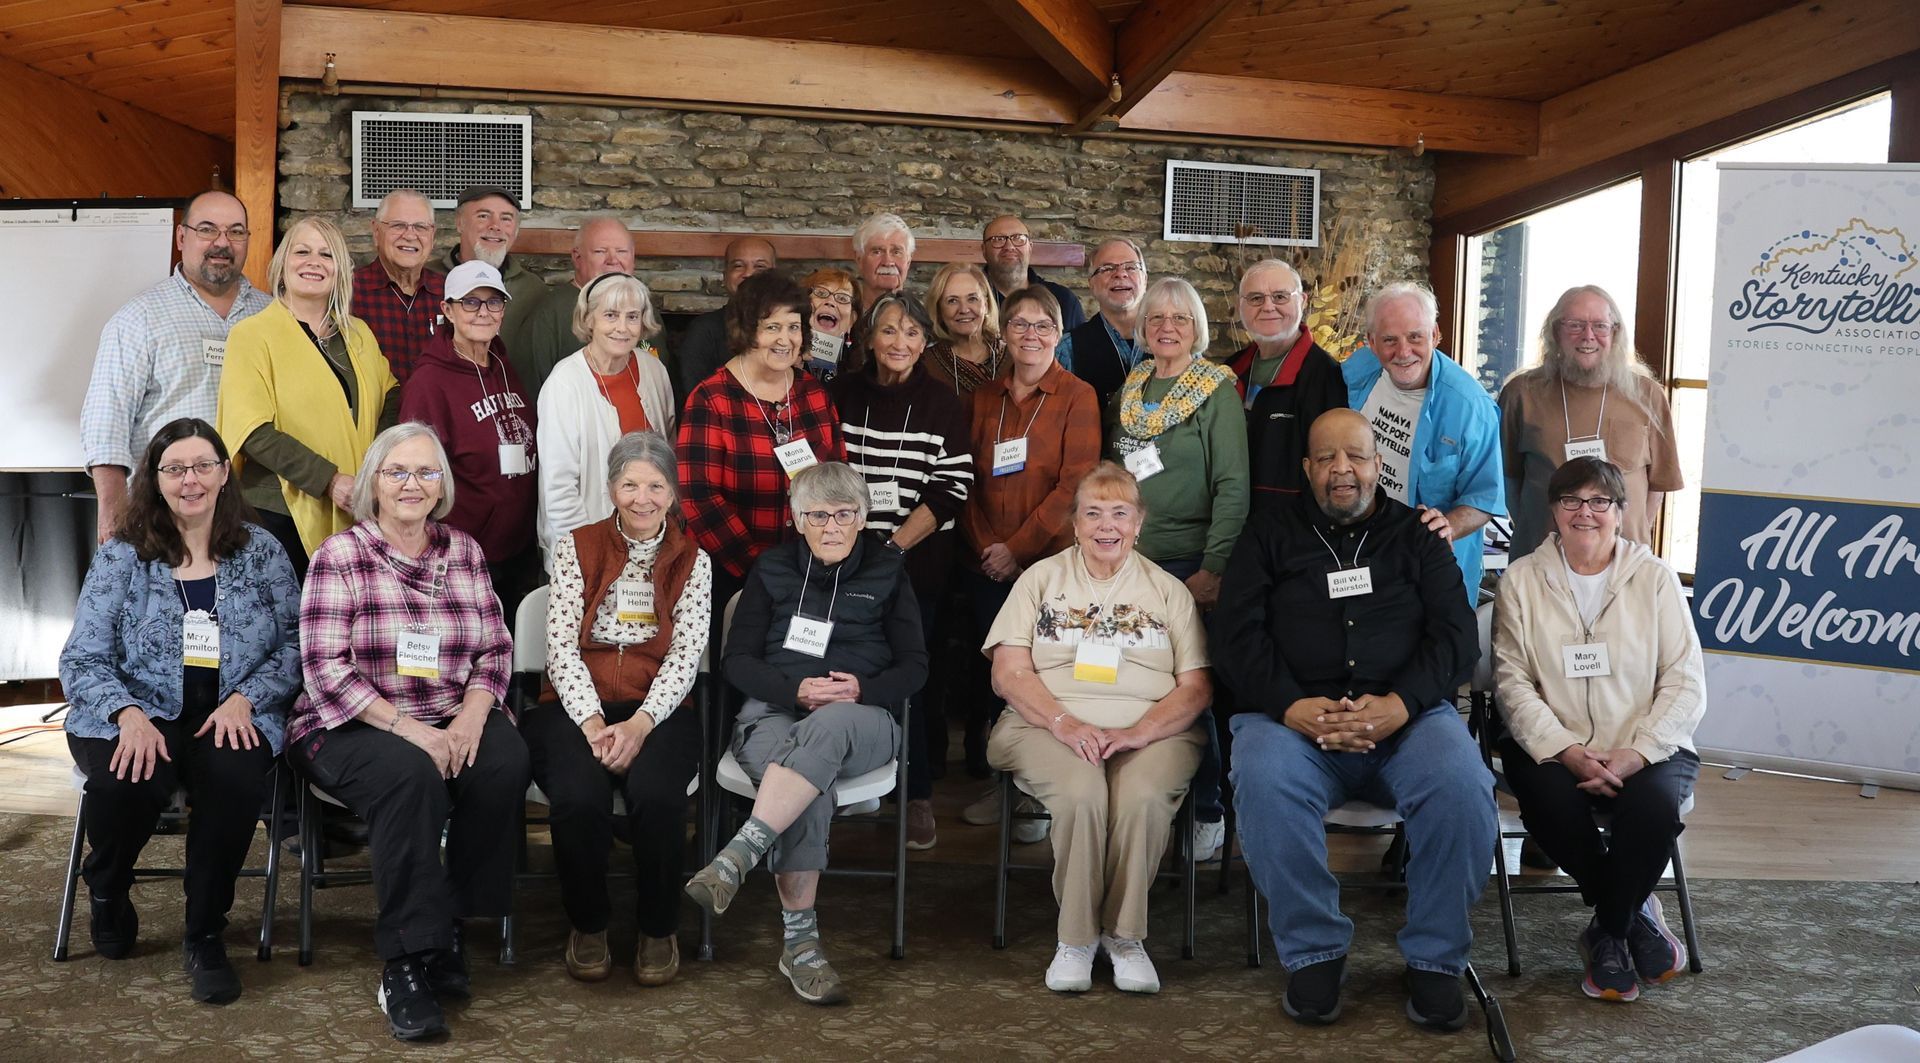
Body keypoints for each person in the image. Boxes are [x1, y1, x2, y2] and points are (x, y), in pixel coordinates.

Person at [1213, 408, 1495, 1032]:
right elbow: (1235, 638)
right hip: (1292, 725)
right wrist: (1290, 705)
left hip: (1408, 722)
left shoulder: (1419, 537)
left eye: (1357, 457)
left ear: (1377, 464)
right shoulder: (1267, 535)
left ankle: (1435, 957)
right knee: (1261, 775)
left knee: (1464, 785)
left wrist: (1401, 704)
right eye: (1327, 459)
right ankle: (1314, 950)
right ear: (1307, 468)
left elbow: (1456, 639)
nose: (1343, 470)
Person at [287, 422, 526, 1042]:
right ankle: (404, 962)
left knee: (502, 761)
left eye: (426, 472)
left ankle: (449, 922)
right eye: (397, 472)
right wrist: (418, 733)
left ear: (442, 485)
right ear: (373, 483)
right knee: (412, 775)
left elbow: (495, 649)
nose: (412, 484)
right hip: (351, 721)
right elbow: (324, 671)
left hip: (452, 706)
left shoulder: (463, 552)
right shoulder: (339, 557)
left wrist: (474, 715)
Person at [58, 418, 300, 1005]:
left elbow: (299, 643)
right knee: (126, 778)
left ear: (223, 473)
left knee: (234, 777)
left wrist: (250, 697)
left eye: (202, 466)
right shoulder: (123, 555)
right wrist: (126, 714)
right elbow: (82, 657)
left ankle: (205, 934)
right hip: (135, 710)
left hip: (232, 710)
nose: (189, 480)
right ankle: (108, 888)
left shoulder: (261, 549)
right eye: (174, 469)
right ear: (155, 479)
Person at [684, 462, 927, 1006]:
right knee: (802, 781)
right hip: (774, 713)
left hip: (860, 721)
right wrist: (797, 691)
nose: (832, 526)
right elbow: (737, 661)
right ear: (797, 520)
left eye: (845, 514)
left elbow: (915, 667)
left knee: (829, 727)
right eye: (818, 515)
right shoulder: (771, 569)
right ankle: (800, 946)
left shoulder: (889, 571)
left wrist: (860, 689)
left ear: (863, 519)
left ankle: (741, 853)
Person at [982, 461, 1211, 996]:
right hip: (1044, 723)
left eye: (1120, 514)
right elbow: (1008, 672)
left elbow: (1196, 687)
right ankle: (1077, 939)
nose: (1107, 526)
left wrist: (1141, 732)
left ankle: (1126, 937)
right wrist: (1062, 721)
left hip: (1152, 729)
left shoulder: (1168, 590)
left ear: (1138, 524)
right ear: (1076, 524)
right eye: (1093, 514)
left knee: (1143, 798)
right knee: (1083, 793)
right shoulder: (1040, 579)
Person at [1492, 456, 1705, 1002]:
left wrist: (1636, 752)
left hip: (1647, 745)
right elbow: (1512, 683)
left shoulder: (1655, 579)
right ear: (1553, 511)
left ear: (1621, 511)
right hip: (1552, 747)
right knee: (1552, 805)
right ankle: (1631, 913)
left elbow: (1685, 683)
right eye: (1571, 500)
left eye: (1599, 501)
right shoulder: (1520, 579)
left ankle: (1607, 931)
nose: (1585, 512)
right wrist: (1567, 752)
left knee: (1653, 809)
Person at [523, 431, 712, 986]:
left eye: (656, 485)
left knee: (657, 796)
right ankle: (588, 923)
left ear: (673, 493)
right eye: (629, 484)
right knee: (577, 798)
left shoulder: (693, 559)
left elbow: (685, 652)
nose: (642, 497)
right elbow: (559, 647)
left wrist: (641, 724)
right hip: (575, 705)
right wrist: (593, 722)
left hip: (658, 706)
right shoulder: (575, 545)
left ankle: (658, 927)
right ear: (611, 488)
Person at [829, 292, 974, 848]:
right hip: (840, 561)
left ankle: (914, 795)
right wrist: (847, 548)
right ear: (869, 338)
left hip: (914, 566)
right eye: (888, 331)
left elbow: (951, 488)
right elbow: (820, 469)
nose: (899, 343)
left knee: (909, 679)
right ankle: (845, 781)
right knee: (841, 669)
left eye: (911, 333)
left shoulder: (942, 403)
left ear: (924, 342)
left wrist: (891, 550)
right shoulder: (838, 394)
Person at [957, 285, 1101, 788]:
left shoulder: (1077, 396)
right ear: (1004, 333)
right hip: (983, 564)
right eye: (1020, 324)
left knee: (1041, 672)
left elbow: (1074, 485)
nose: (1031, 334)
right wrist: (986, 549)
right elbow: (964, 477)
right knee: (988, 671)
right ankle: (992, 777)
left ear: (1059, 335)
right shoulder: (983, 398)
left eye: (1043, 325)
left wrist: (1016, 551)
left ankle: (1033, 786)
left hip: (1047, 566)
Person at [82, 190, 270, 544]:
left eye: (235, 231)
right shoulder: (139, 318)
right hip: (164, 513)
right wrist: (111, 509)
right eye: (207, 229)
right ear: (182, 237)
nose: (222, 242)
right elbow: (107, 418)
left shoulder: (274, 316)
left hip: (255, 515)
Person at [216, 216, 399, 577]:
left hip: (357, 506)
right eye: (302, 251)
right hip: (276, 514)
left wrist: (375, 467)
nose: (314, 262)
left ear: (340, 272)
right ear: (282, 265)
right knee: (284, 630)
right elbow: (252, 431)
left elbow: (390, 395)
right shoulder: (252, 335)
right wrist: (330, 480)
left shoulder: (357, 334)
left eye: (326, 254)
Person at [677, 271, 847, 631]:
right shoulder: (712, 398)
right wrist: (762, 565)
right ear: (746, 330)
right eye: (772, 327)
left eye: (793, 326)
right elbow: (699, 499)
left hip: (808, 570)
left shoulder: (813, 394)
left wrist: (819, 555)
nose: (785, 339)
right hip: (728, 572)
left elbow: (837, 481)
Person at [1342, 282, 1505, 605]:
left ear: (1435, 335)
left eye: (1415, 337)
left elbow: (1486, 497)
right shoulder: (1356, 371)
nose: (1403, 352)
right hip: (1358, 552)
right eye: (1390, 340)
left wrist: (1448, 525)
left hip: (1429, 569)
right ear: (1372, 343)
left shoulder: (1470, 406)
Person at [397, 260, 540, 624]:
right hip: (464, 554)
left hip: (516, 550)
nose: (483, 312)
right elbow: (417, 473)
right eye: (470, 302)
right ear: (447, 309)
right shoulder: (429, 382)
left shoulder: (503, 365)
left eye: (494, 302)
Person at [1498, 285, 1682, 561]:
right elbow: (1507, 478)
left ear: (1615, 333)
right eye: (1575, 325)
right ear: (1555, 332)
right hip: (1541, 563)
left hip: (1624, 566)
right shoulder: (1521, 393)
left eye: (1600, 326)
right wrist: (1533, 525)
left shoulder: (1648, 395)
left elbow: (1659, 483)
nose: (1588, 336)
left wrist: (1629, 533)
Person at [1105, 276, 1248, 608]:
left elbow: (1233, 485)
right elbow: (1106, 462)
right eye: (1156, 317)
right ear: (1144, 326)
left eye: (1180, 318)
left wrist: (1213, 567)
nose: (1166, 326)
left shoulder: (1217, 391)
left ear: (1196, 329)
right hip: (1123, 556)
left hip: (1184, 563)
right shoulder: (1134, 384)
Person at [537, 274, 676, 561]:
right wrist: (586, 555)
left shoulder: (654, 371)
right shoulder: (565, 383)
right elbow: (558, 487)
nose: (622, 328)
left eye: (632, 317)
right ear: (589, 320)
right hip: (588, 548)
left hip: (651, 544)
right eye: (611, 315)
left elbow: (668, 456)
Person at [1225, 259, 1347, 512]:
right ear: (1240, 307)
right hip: (1233, 526)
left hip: (1295, 533)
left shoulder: (1327, 376)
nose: (1268, 306)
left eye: (1280, 296)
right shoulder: (1229, 369)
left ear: (1302, 301)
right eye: (1256, 298)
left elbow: (1333, 471)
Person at [512, 215, 640, 399]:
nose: (613, 260)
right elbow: (529, 395)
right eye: (600, 251)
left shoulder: (644, 308)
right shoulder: (549, 315)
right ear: (577, 257)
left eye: (622, 251)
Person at [436, 187, 547, 355]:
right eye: (483, 216)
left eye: (506, 219)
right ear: (459, 222)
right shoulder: (428, 278)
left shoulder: (533, 290)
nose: (495, 226)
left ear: (516, 230)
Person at [351, 189, 444, 386]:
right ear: (376, 231)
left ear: (432, 235)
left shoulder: (450, 293)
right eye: (398, 225)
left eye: (420, 227)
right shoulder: (349, 291)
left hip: (437, 414)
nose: (410, 236)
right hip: (374, 415)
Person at [675, 236, 778, 400]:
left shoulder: (791, 330)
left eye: (760, 266)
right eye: (738, 266)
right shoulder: (703, 331)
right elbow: (695, 400)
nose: (749, 273)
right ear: (725, 276)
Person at [1056, 238, 1147, 411]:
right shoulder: (1067, 348)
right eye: (1107, 268)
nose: (1120, 274)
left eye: (1130, 267)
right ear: (1091, 283)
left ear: (1145, 278)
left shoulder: (1173, 340)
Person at [980, 214, 1085, 331]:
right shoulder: (969, 301)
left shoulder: (1064, 301)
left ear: (1030, 247)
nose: (1009, 246)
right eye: (998, 239)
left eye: (1018, 238)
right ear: (984, 250)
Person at [921, 262, 1008, 396]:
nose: (964, 309)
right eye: (952, 301)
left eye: (972, 298)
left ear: (986, 304)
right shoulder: (925, 365)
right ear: (939, 310)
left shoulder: (1013, 357)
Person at [799, 266, 858, 380]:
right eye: (821, 293)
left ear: (851, 320)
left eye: (842, 298)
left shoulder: (860, 370)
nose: (830, 302)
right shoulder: (784, 357)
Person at [853, 211, 914, 302]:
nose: (888, 262)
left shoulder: (921, 315)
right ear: (859, 259)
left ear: (908, 261)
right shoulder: (844, 314)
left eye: (896, 252)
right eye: (877, 252)